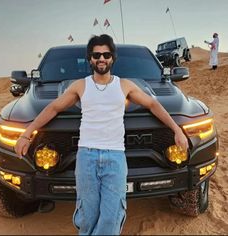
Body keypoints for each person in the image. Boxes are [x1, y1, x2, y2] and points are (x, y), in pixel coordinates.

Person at [14, 34, 188, 235]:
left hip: (115, 157)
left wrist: (177, 130)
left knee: (111, 215)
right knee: (87, 215)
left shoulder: (124, 85)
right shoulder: (81, 85)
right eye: (96, 55)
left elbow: (153, 104)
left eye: (106, 54)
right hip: (86, 157)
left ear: (112, 58)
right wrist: (26, 134)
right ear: (90, 59)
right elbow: (53, 108)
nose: (101, 59)